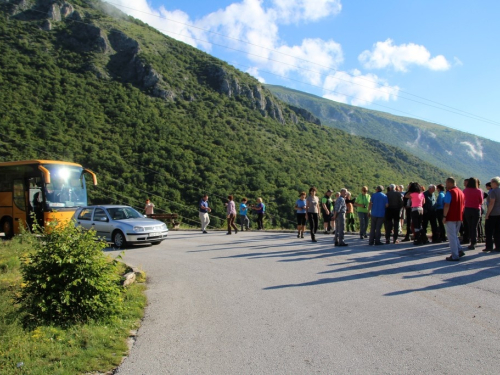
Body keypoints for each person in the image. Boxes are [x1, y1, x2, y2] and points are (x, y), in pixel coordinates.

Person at [443, 177, 465, 261]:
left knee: (451, 236)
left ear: (449, 183)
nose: (446, 184)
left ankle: (455, 255)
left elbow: (447, 205)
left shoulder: (450, 192)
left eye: (446, 183)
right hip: (459, 216)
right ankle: (459, 250)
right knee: (455, 235)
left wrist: (444, 216)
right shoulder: (461, 192)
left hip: (451, 216)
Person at [462, 178, 483, 250]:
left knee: (469, 226)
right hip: (476, 210)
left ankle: (471, 240)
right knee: (474, 226)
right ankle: (474, 241)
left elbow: (463, 200)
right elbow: (481, 201)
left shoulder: (465, 190)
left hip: (467, 209)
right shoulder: (479, 191)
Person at [484, 177, 500, 252]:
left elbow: (491, 203)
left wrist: (487, 214)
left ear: (494, 183)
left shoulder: (493, 192)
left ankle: (489, 246)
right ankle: (498, 246)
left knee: (489, 230)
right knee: (498, 231)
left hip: (493, 213)